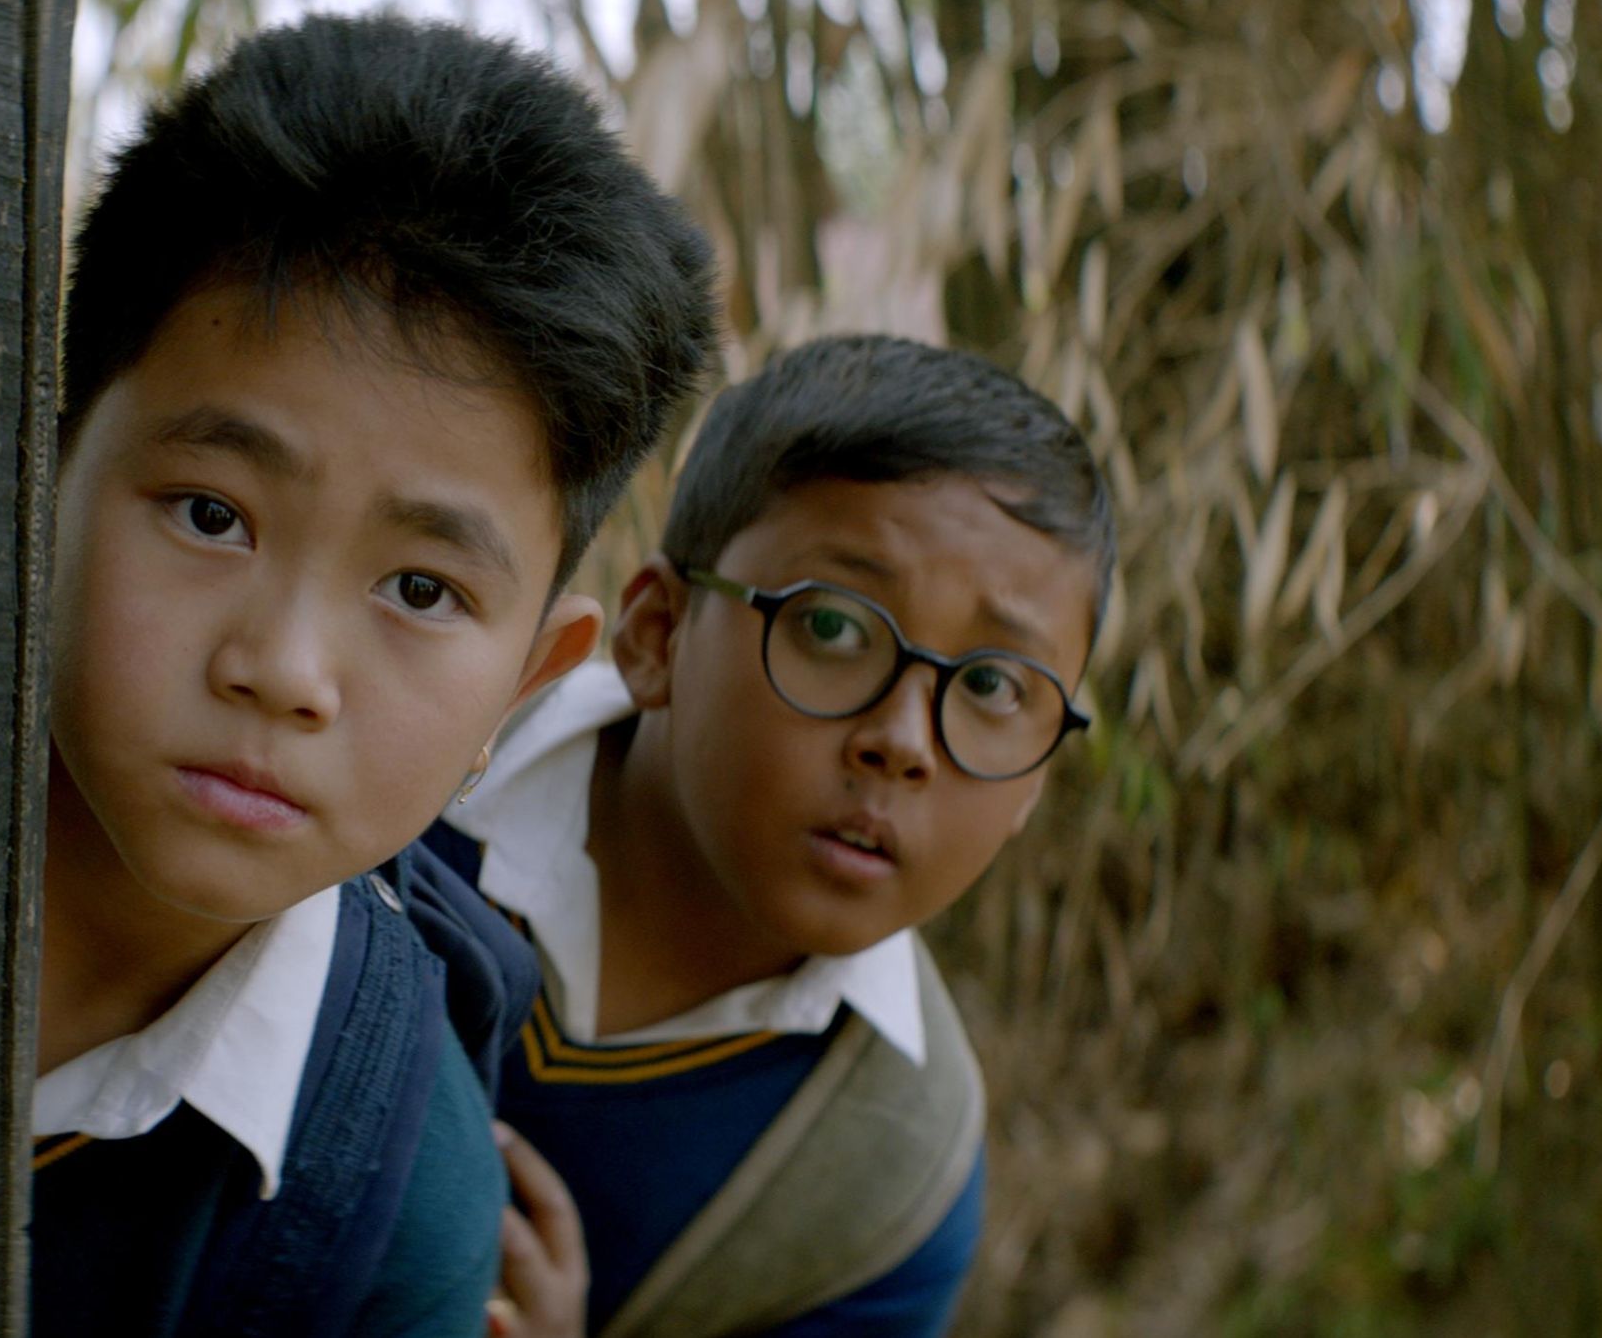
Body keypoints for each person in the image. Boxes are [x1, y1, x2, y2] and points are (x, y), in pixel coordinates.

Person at [28, 13, 718, 1338]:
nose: (285, 671)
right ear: (40, 474)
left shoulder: (399, 1218)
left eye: (421, 589)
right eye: (211, 514)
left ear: (526, 683)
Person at [442, 335, 1114, 1338]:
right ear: (658, 633)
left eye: (991, 685)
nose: (903, 741)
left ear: (1036, 783)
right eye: (833, 626)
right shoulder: (399, 775)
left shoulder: (886, 1182)